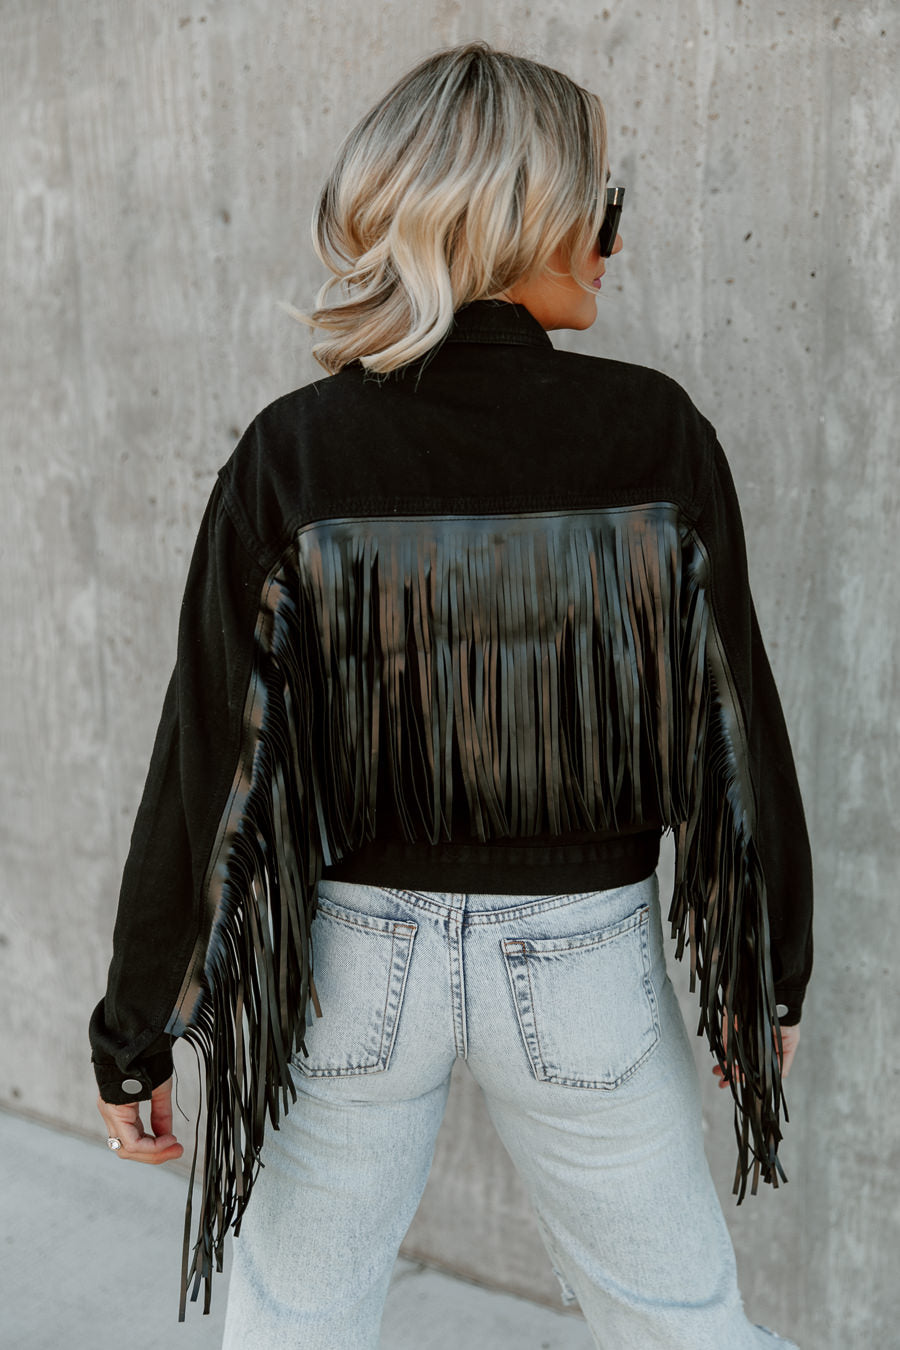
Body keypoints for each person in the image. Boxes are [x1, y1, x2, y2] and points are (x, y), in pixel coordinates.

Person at [91, 41, 812, 1350]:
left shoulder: (296, 452)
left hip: (351, 966)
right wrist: (764, 974)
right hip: (587, 962)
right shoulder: (653, 434)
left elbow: (209, 765)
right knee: (687, 1326)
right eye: (602, 204)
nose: (613, 240)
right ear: (527, 214)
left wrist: (137, 1029)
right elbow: (732, 727)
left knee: (292, 1328)